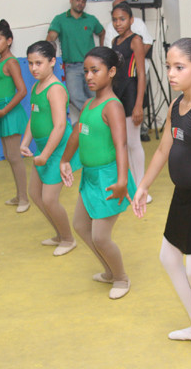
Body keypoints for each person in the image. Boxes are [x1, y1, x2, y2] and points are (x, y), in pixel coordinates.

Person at [132, 38, 191, 364]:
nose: (171, 73)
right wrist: (143, 185)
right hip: (182, 195)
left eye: (179, 67)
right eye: (169, 66)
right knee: (168, 258)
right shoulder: (176, 106)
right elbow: (163, 149)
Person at [60, 46, 136, 300]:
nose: (89, 76)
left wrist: (123, 181)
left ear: (111, 71)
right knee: (81, 225)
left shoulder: (112, 106)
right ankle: (109, 271)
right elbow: (76, 133)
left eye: (95, 70)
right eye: (86, 71)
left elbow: (120, 145)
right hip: (90, 178)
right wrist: (65, 160)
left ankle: (122, 278)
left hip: (109, 179)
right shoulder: (90, 104)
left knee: (101, 236)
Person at [20, 41, 81, 256]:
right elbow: (33, 118)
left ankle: (68, 238)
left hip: (57, 150)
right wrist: (25, 142)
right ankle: (59, 232)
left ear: (52, 62)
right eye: (30, 63)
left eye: (39, 63)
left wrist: (45, 155)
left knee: (49, 198)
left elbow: (60, 125)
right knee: (35, 194)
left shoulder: (55, 88)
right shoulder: (37, 86)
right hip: (42, 149)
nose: (34, 68)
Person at [0, 19, 30, 213]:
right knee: (8, 156)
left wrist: (4, 109)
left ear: (9, 41)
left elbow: (21, 91)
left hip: (10, 113)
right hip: (1, 112)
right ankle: (19, 194)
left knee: (15, 156)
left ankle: (25, 199)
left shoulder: (11, 62)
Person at [47, 0, 105, 123]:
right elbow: (51, 38)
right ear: (71, 0)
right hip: (71, 66)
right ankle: (96, 117)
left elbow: (102, 32)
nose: (81, 3)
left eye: (84, 1)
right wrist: (47, 55)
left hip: (92, 66)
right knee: (74, 96)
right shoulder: (60, 19)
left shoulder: (91, 19)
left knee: (96, 95)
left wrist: (102, 51)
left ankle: (95, 121)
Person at [110, 2, 147, 198]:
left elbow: (141, 74)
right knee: (122, 142)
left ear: (131, 20)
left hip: (132, 93)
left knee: (133, 142)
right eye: (114, 20)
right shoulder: (115, 42)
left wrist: (139, 104)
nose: (118, 23)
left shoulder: (136, 41)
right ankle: (131, 185)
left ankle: (141, 188)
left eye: (122, 19)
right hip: (117, 94)